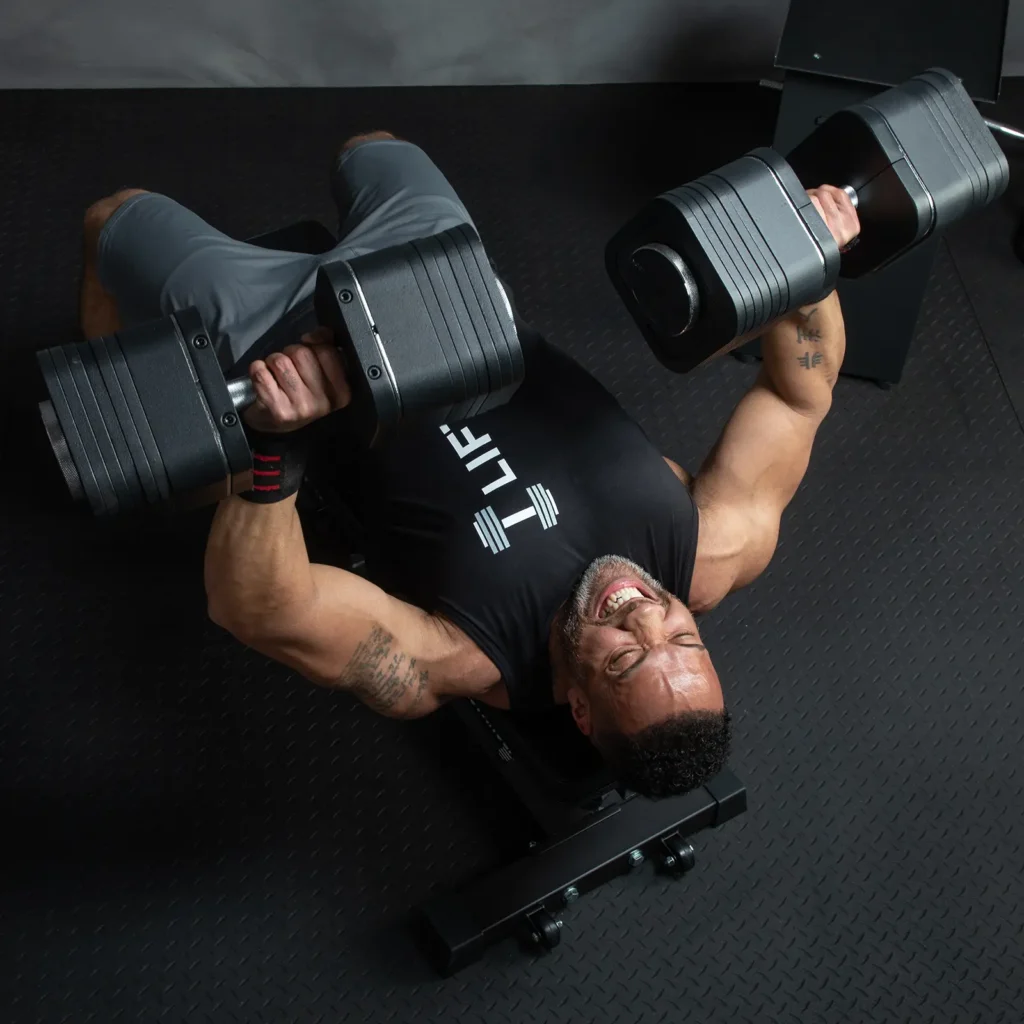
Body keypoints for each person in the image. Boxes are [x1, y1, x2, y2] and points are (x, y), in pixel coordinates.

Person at [81, 132, 859, 799]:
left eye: (624, 655)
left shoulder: (454, 659)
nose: (644, 612)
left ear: (580, 711)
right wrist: (808, 264)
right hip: (439, 285)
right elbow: (798, 397)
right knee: (370, 148)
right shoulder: (715, 548)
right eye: (684, 639)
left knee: (113, 216)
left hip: (276, 340)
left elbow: (258, 609)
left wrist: (272, 445)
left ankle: (128, 399)